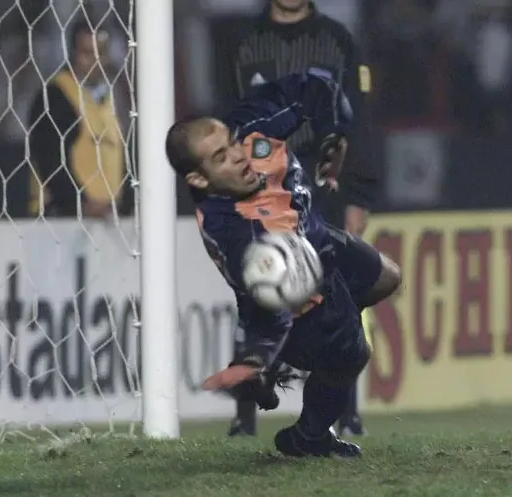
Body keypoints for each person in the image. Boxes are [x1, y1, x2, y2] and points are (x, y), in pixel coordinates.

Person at [165, 69, 400, 457]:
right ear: (199, 179)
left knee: (389, 277)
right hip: (295, 297)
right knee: (352, 355)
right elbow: (269, 294)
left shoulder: (252, 122)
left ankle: (282, 367)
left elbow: (319, 84)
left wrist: (334, 134)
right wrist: (261, 351)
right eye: (220, 158)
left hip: (319, 239)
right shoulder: (235, 231)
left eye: (231, 142)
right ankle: (308, 436)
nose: (238, 156)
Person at [220, 0, 376, 438]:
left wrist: (359, 193)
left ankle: (346, 410)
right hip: (260, 188)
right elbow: (223, 122)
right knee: (258, 287)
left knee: (340, 290)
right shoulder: (243, 42)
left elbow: (359, 119)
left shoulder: (337, 40)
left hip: (323, 181)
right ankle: (245, 413)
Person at [28, 22, 125, 218]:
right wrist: (79, 203)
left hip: (108, 216)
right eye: (88, 53)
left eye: (102, 53)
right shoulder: (56, 95)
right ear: (73, 53)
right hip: (62, 216)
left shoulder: (113, 98)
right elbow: (49, 158)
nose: (96, 61)